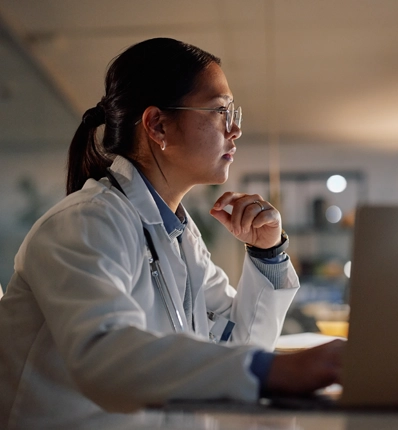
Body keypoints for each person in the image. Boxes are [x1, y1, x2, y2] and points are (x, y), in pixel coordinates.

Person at [0, 38, 344, 428]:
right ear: (158, 125)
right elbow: (105, 357)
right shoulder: (87, 222)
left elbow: (236, 346)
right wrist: (272, 371)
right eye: (219, 112)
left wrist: (267, 254)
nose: (235, 130)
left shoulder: (179, 237)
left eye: (234, 114)